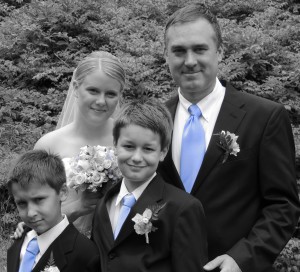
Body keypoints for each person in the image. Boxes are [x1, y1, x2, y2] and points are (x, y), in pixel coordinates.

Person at [158, 3, 300, 272]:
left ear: (220, 51)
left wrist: (242, 258)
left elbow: (282, 206)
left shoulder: (265, 117)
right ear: (166, 56)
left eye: (200, 49)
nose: (189, 61)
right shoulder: (155, 120)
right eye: (178, 51)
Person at [91, 98, 208, 272]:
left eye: (148, 149)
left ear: (163, 152)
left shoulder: (183, 208)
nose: (137, 157)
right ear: (115, 145)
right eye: (129, 146)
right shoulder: (105, 201)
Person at [32, 51, 126, 234]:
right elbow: (34, 216)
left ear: (120, 95)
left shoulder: (128, 140)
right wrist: (77, 207)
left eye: (111, 94)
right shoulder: (48, 145)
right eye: (93, 90)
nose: (101, 101)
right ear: (76, 87)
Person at [7, 150, 100, 272]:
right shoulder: (20, 240)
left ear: (62, 192)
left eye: (39, 199)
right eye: (21, 203)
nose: (30, 213)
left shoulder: (86, 255)